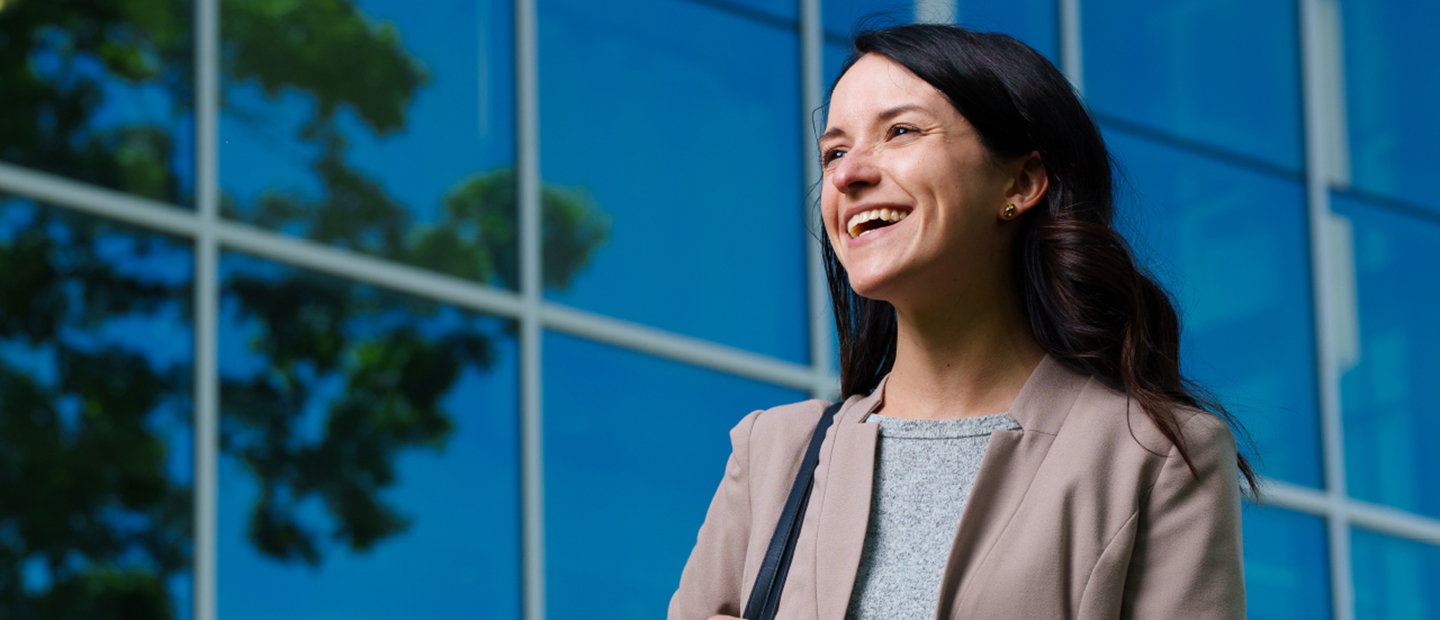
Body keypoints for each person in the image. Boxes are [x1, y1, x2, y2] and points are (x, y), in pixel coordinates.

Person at [668, 23, 1254, 620]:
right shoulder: (772, 453)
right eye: (834, 152)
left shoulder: (1153, 456)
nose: (847, 175)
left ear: (1021, 182)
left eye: (900, 132)